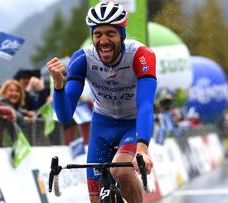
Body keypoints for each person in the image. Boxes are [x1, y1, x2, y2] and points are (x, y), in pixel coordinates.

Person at [47, 2, 156, 202]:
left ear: (122, 34)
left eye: (110, 34)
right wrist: (59, 86)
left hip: (132, 125)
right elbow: (64, 116)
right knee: (96, 199)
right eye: (98, 35)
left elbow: (146, 106)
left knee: (120, 171)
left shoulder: (141, 55)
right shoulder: (82, 59)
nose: (103, 41)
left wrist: (142, 150)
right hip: (102, 126)